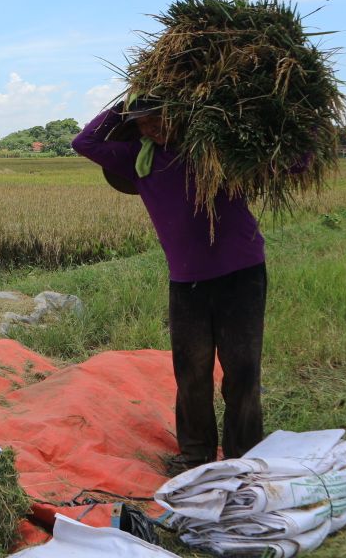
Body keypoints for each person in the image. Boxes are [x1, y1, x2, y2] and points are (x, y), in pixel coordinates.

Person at [73, 100, 267, 476]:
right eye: (143, 124)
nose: (152, 130)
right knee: (191, 370)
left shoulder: (214, 152)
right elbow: (85, 143)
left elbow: (290, 162)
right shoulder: (138, 160)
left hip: (242, 274)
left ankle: (244, 454)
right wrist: (125, 106)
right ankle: (195, 455)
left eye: (158, 120)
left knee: (242, 367)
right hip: (186, 282)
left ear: (180, 116)